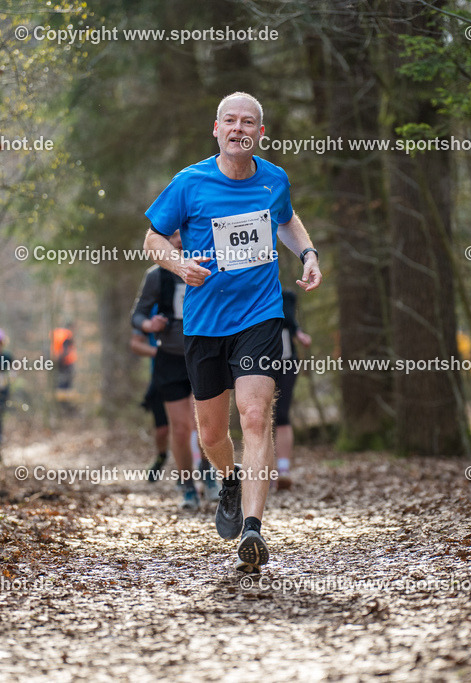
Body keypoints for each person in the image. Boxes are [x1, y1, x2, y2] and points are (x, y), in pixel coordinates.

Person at [143, 92, 322, 573]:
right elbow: (152, 238)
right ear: (216, 128)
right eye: (230, 120)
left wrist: (307, 254)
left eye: (249, 122)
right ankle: (228, 477)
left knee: (256, 414)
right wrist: (180, 265)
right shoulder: (189, 183)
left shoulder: (273, 180)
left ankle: (253, 529)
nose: (239, 128)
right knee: (212, 434)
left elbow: (287, 220)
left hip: (260, 315)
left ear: (260, 133)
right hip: (204, 323)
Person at [131, 231, 219, 509]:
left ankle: (210, 475)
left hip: (204, 353)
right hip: (170, 357)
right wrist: (149, 326)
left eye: (184, 233)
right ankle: (188, 487)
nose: (179, 239)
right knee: (180, 430)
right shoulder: (156, 275)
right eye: (173, 235)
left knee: (206, 426)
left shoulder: (209, 265)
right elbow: (138, 315)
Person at [272, 289, 311, 491]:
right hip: (254, 363)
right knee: (259, 416)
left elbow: (291, 321)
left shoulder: (286, 296)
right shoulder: (245, 290)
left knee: (282, 414)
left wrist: (300, 334)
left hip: (286, 362)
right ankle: (265, 471)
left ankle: (283, 470)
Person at [130, 331, 170, 482]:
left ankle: (194, 473)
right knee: (162, 430)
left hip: (189, 376)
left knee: (187, 428)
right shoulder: (152, 310)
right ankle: (161, 457)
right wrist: (162, 353)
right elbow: (135, 343)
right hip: (159, 379)